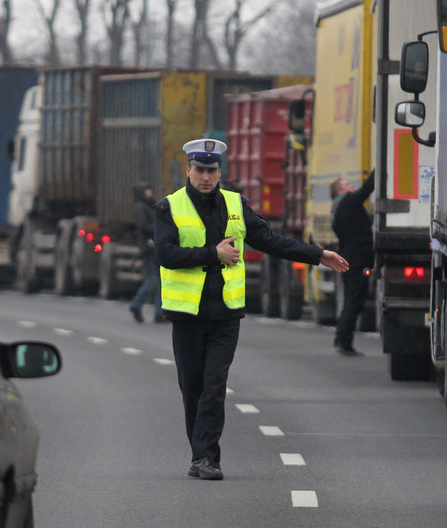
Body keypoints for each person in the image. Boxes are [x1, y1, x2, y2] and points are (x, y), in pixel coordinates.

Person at [156, 138, 349, 480]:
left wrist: (317, 255)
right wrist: (211, 254)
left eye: (211, 171)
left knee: (214, 386)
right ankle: (199, 453)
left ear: (219, 173)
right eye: (199, 170)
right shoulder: (168, 208)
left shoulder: (235, 205)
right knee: (193, 388)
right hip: (187, 315)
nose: (205, 177)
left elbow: (271, 241)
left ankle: (206, 459)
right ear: (188, 171)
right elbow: (166, 255)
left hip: (225, 314)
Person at [330, 171, 375, 357]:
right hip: (357, 260)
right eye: (348, 185)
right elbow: (366, 189)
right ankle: (343, 342)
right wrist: (378, 169)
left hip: (350, 259)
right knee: (353, 302)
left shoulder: (338, 209)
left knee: (351, 301)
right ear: (341, 190)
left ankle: (341, 340)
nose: (352, 187)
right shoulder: (348, 202)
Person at [129, 182, 164, 323]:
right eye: (147, 190)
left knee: (160, 281)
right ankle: (136, 305)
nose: (150, 192)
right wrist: (160, 227)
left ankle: (159, 312)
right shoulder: (140, 207)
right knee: (153, 280)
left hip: (156, 247)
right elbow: (142, 226)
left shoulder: (150, 205)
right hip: (149, 248)